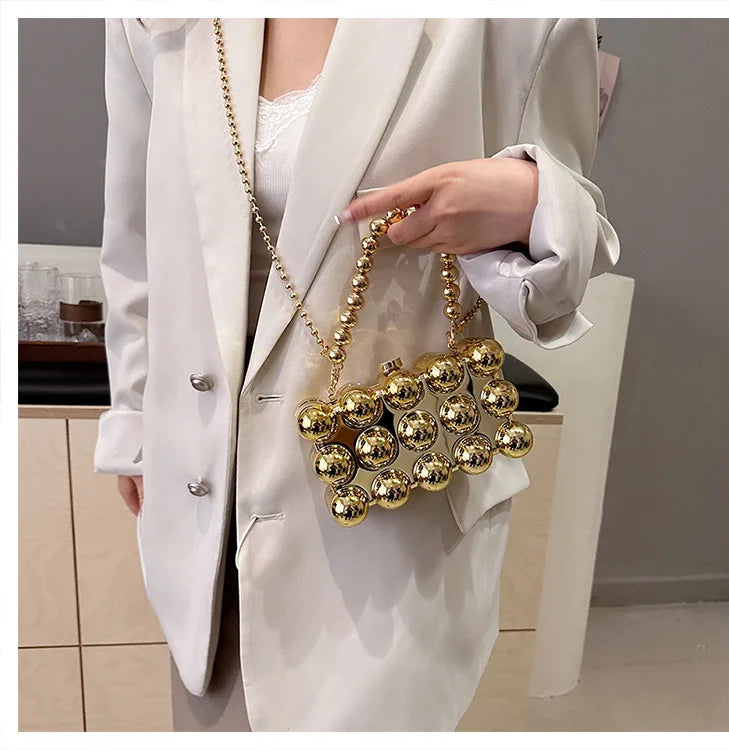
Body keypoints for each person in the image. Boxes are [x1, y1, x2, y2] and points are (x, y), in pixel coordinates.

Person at [95, 17, 620, 731]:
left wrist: (532, 204)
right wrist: (133, 424)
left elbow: (569, 257)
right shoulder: (152, 16)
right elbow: (136, 242)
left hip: (393, 497)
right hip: (198, 494)